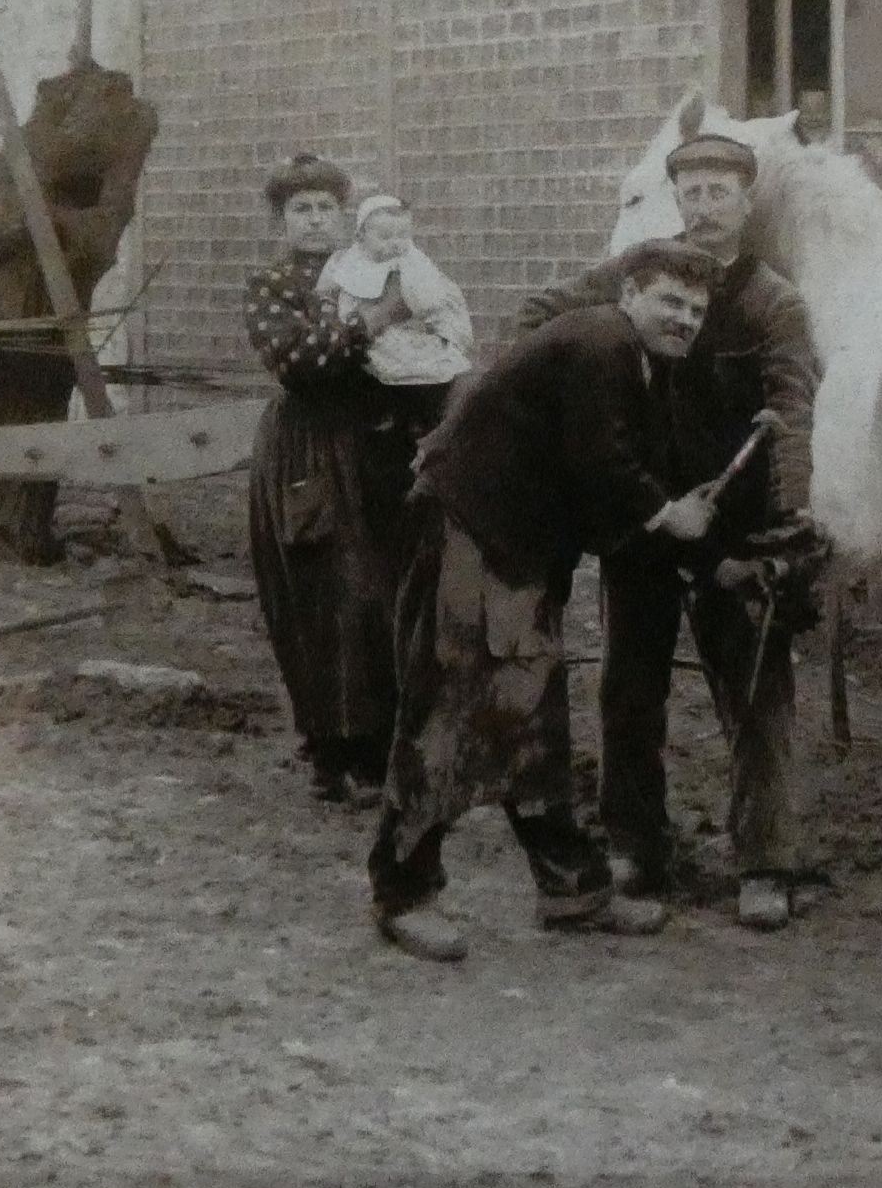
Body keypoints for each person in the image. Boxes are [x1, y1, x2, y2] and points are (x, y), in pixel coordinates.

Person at [369, 238, 727, 963]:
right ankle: (402, 892)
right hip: (470, 533)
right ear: (630, 293)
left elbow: (601, 476)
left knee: (531, 708)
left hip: (515, 547)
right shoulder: (604, 341)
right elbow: (604, 466)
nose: (685, 318)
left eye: (696, 309)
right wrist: (668, 516)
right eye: (671, 300)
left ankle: (572, 888)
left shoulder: (633, 359)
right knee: (452, 709)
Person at [519, 132, 825, 932]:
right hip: (649, 519)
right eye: (690, 191)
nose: (704, 207)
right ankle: (637, 844)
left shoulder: (771, 301)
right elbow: (541, 315)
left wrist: (789, 519)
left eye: (720, 191)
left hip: (735, 526)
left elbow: (792, 412)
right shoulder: (642, 273)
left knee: (755, 687)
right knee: (629, 686)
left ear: (747, 202)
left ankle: (764, 860)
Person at [245, 154, 423, 806]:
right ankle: (330, 749)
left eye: (325, 208)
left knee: (385, 594)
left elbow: (426, 334)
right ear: (281, 222)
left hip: (379, 444)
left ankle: (378, 746)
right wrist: (375, 321)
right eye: (301, 210)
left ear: (344, 216)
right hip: (308, 450)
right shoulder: (270, 286)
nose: (316, 219)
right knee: (323, 594)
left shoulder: (373, 270)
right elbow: (300, 360)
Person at [314, 194, 473, 428]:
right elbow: (329, 286)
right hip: (367, 336)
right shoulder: (350, 260)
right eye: (385, 237)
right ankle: (387, 412)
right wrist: (328, 302)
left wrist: (415, 294)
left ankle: (420, 415)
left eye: (402, 236)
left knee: (423, 370)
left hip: (407, 332)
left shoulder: (411, 260)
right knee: (372, 373)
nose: (395, 243)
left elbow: (430, 298)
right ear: (361, 236)